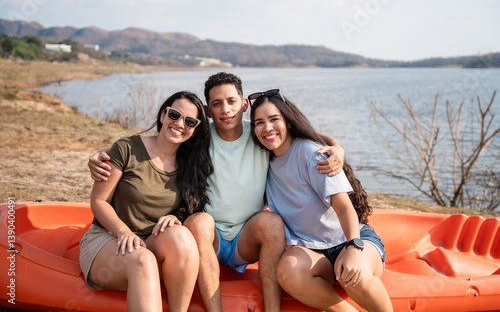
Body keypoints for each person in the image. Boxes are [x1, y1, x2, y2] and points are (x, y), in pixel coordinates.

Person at [88, 72, 345, 312]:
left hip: (245, 238)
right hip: (209, 238)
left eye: (232, 101)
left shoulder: (259, 133)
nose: (226, 110)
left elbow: (293, 133)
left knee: (272, 221)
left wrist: (336, 147)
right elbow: (159, 150)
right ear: (208, 111)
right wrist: (100, 158)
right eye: (217, 104)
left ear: (244, 104)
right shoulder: (198, 138)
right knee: (200, 221)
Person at [249, 89, 392, 312]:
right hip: (313, 251)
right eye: (259, 122)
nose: (267, 128)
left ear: (287, 120)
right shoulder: (262, 161)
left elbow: (344, 207)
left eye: (274, 119)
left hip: (352, 238)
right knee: (287, 271)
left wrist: (353, 248)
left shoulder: (311, 153)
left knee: (355, 276)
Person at [80, 91, 213, 312]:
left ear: (195, 129)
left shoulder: (191, 164)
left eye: (189, 121)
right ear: (163, 115)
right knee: (143, 261)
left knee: (182, 237)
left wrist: (175, 216)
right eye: (174, 114)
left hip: (150, 243)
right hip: (109, 238)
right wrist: (124, 232)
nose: (180, 124)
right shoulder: (127, 148)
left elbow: (192, 207)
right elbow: (99, 201)